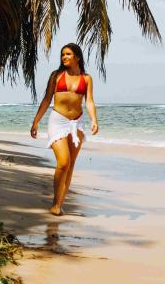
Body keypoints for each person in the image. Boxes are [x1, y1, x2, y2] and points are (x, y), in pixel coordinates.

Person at [30, 43, 99, 216]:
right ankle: (55, 202)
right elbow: (46, 100)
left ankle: (59, 204)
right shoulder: (56, 76)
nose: (64, 57)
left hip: (77, 123)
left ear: (77, 57)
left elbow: (89, 101)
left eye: (68, 54)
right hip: (58, 121)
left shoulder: (87, 78)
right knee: (64, 162)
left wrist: (94, 120)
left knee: (71, 165)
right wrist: (36, 122)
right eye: (62, 55)